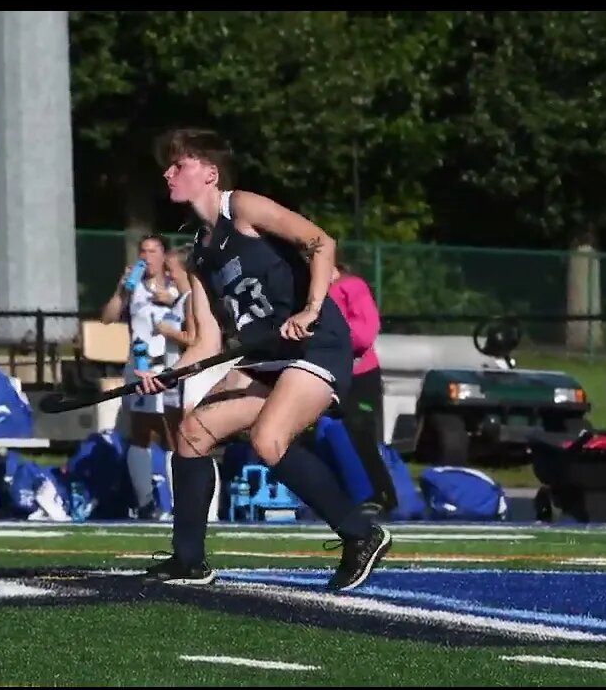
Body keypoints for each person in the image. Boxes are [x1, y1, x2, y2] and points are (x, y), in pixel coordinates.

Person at [135, 128, 392, 590]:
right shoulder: (198, 254)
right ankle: (189, 561)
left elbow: (321, 242)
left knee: (268, 440)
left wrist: (311, 309)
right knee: (192, 433)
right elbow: (208, 339)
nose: (168, 173)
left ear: (209, 173)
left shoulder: (244, 207)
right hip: (267, 356)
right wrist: (168, 375)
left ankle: (361, 534)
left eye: (179, 165)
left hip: (316, 345)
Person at [100, 235, 182, 520]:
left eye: (153, 251)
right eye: (143, 251)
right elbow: (107, 317)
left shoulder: (176, 286)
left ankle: (179, 503)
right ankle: (146, 502)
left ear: (163, 256)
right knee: (142, 431)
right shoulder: (133, 287)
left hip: (169, 365)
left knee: (174, 434)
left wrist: (169, 299)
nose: (147, 256)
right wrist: (120, 291)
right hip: (139, 364)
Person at [153, 247, 221, 523]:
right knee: (174, 443)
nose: (167, 275)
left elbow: (196, 339)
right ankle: (177, 506)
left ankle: (208, 511)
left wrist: (168, 332)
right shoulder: (178, 299)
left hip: (189, 376)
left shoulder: (192, 298)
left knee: (194, 442)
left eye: (171, 269)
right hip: (175, 375)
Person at [329, 258, 398, 515]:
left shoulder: (351, 287)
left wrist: (329, 335)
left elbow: (365, 332)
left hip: (360, 376)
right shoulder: (308, 291)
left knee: (360, 431)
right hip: (326, 374)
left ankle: (381, 495)